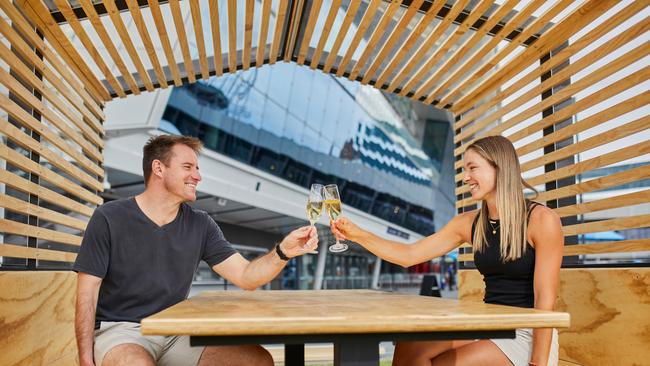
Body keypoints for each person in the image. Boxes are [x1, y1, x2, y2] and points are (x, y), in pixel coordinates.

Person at [74, 135, 318, 366]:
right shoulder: (108, 217)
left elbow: (246, 276)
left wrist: (283, 251)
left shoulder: (201, 224)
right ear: (159, 169)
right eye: (188, 167)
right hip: (122, 331)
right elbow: (87, 294)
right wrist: (86, 358)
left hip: (176, 331)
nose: (197, 176)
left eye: (198, 168)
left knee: (257, 360)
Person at [332, 135, 563, 366]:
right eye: (465, 169)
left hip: (527, 336)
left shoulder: (542, 220)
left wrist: (538, 363)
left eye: (473, 168)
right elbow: (408, 255)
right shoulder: (469, 223)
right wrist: (357, 234)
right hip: (490, 324)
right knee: (410, 346)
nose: (466, 178)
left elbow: (545, 300)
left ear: (500, 168)